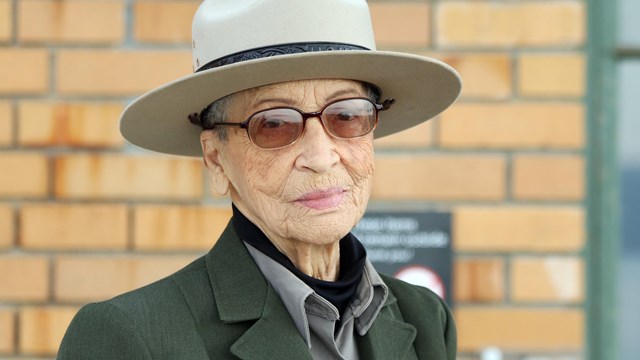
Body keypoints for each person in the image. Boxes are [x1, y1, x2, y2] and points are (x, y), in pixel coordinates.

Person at [57, 0, 461, 359]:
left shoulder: (425, 319)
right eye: (274, 124)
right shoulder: (133, 336)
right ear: (217, 161)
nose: (321, 158)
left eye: (346, 115)